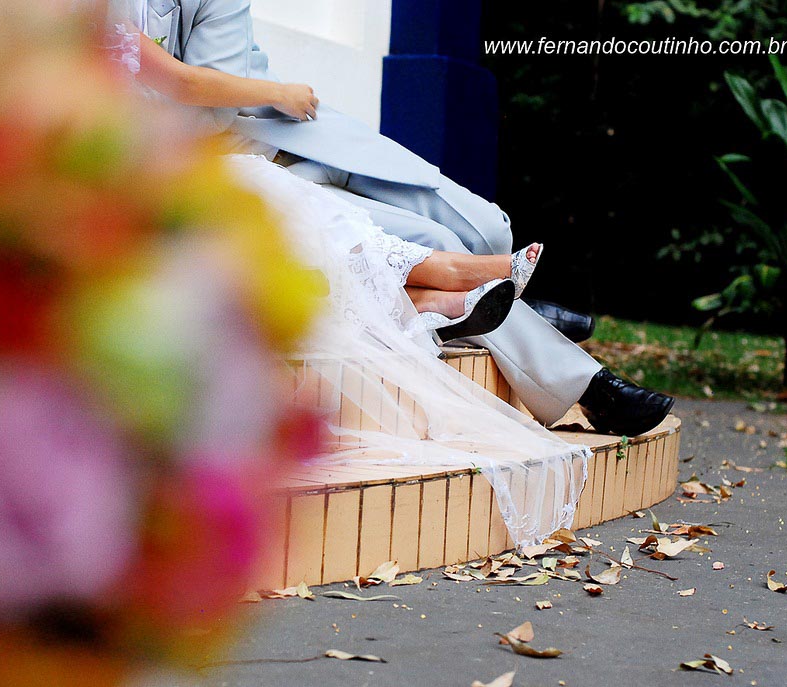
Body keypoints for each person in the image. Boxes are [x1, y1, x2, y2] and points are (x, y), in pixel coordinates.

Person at [95, 1, 592, 546]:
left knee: (472, 225)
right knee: (300, 219)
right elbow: (184, 87)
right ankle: (473, 298)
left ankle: (455, 297)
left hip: (250, 145)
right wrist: (278, 93)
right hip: (163, 165)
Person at [116, 0, 675, 436]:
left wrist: (275, 100)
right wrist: (276, 92)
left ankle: (520, 306)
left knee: (487, 229)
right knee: (431, 248)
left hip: (282, 134)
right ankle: (589, 385)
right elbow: (192, 98)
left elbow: (205, 83)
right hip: (222, 174)